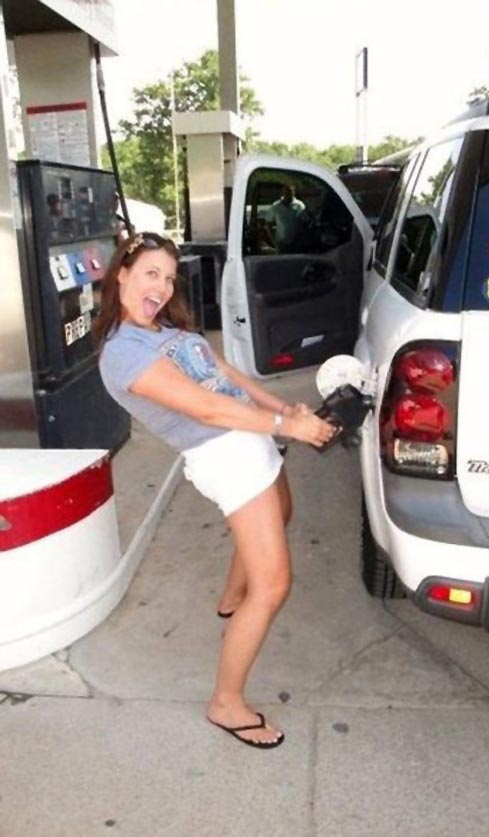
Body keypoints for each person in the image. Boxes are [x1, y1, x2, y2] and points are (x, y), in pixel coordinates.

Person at [95, 232, 336, 750]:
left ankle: (230, 599)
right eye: (151, 273)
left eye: (169, 277)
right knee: (272, 585)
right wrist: (285, 427)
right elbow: (204, 409)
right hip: (225, 455)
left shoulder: (163, 328)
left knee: (283, 513)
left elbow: (225, 375)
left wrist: (284, 410)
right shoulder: (122, 353)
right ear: (122, 274)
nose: (162, 287)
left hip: (250, 435)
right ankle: (226, 702)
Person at [265, 183, 306, 252]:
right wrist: (274, 242)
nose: (288, 194)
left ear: (294, 192)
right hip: (281, 244)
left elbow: (305, 222)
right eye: (286, 192)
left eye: (290, 192)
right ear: (283, 192)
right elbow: (268, 223)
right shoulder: (275, 206)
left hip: (297, 243)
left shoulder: (300, 205)